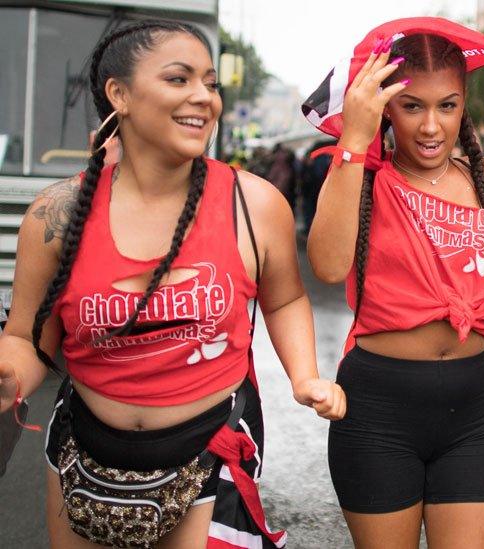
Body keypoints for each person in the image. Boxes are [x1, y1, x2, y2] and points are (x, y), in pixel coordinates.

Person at [0, 21, 345, 547]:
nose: (203, 97)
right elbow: (29, 341)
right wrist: (8, 374)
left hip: (210, 452)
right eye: (179, 79)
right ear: (120, 93)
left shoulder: (253, 204)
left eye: (210, 83)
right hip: (82, 455)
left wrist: (305, 377)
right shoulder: (57, 215)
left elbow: (287, 297)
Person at [304, 18, 484, 548]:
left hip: (471, 408)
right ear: (386, 106)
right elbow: (327, 266)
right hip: (377, 408)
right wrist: (355, 142)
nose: (431, 126)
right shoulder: (362, 176)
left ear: (463, 105)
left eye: (447, 105)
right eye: (412, 106)